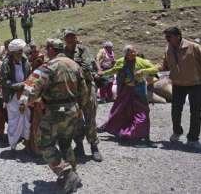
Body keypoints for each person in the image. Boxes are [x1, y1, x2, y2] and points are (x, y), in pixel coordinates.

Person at [19, 39, 88, 193]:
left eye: (47, 48)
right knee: (65, 142)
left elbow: (32, 87)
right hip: (73, 110)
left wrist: (25, 102)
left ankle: (67, 172)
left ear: (51, 49)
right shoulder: (74, 65)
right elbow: (84, 90)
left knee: (43, 143)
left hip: (55, 111)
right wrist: (80, 107)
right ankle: (72, 175)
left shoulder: (48, 67)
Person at [98, 45, 158, 140]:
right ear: (126, 54)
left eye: (134, 52)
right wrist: (103, 74)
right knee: (120, 110)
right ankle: (118, 130)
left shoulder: (141, 61)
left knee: (142, 112)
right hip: (125, 90)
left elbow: (155, 69)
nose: (133, 54)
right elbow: (114, 70)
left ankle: (143, 134)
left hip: (139, 91)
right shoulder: (121, 61)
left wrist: (143, 71)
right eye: (131, 53)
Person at [159, 27, 201, 149]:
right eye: (166, 37)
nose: (167, 39)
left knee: (195, 112)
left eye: (169, 36)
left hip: (196, 84)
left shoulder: (193, 47)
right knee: (175, 111)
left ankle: (193, 139)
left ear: (178, 36)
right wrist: (148, 69)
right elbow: (164, 65)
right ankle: (177, 132)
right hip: (178, 84)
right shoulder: (168, 49)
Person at [64, 29, 102, 162]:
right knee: (76, 119)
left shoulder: (82, 50)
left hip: (87, 86)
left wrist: (70, 69)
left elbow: (87, 66)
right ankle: (79, 145)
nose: (69, 39)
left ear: (76, 38)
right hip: (72, 90)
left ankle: (94, 146)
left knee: (90, 117)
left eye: (72, 36)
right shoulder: (62, 53)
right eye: (67, 37)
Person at [1, 39, 31, 156]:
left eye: (21, 51)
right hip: (12, 96)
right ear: (13, 52)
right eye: (18, 51)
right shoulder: (6, 64)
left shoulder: (25, 61)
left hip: (24, 94)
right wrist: (20, 85)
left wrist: (26, 87)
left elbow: (30, 78)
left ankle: (27, 144)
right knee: (13, 121)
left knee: (26, 118)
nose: (20, 53)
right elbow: (5, 82)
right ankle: (13, 147)